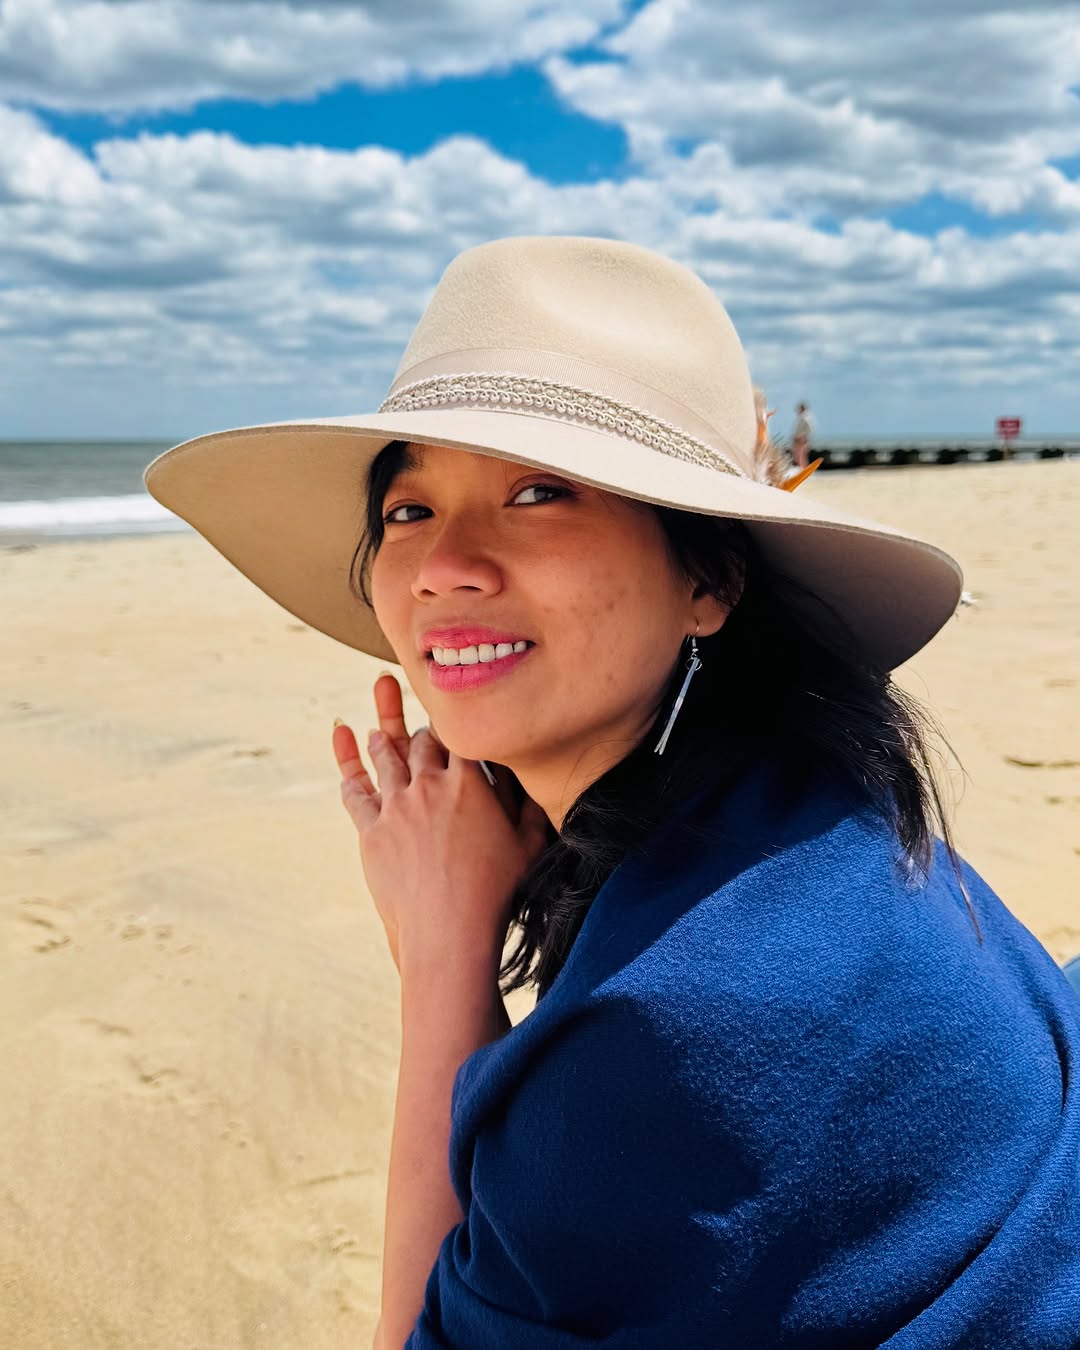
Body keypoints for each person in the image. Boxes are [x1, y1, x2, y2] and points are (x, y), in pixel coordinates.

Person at [144, 236, 1080, 1349]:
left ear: (709, 580)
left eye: (540, 493)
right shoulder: (813, 805)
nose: (444, 566)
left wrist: (442, 951)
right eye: (408, 511)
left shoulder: (672, 1027)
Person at [791, 400, 814, 470]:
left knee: (801, 455)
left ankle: (803, 469)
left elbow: (809, 429)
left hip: (801, 439)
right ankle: (803, 469)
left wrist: (802, 437)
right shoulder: (802, 417)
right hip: (800, 439)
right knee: (800, 455)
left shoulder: (805, 417)